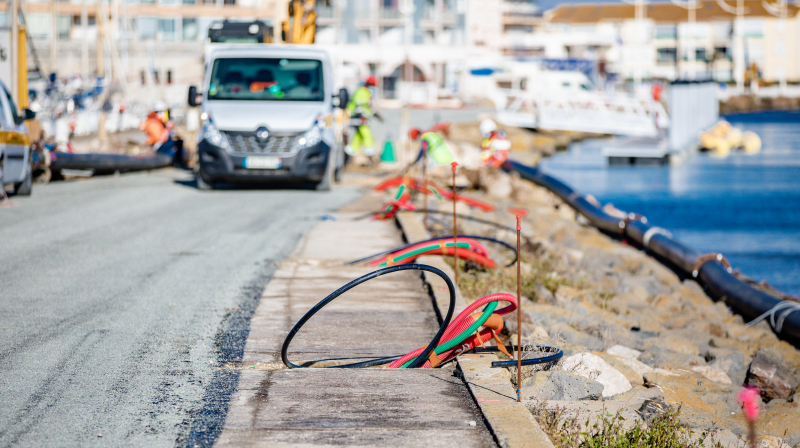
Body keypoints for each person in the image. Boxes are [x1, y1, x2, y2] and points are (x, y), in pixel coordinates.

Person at [345, 75, 378, 157]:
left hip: (360, 116)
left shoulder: (365, 92)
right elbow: (359, 105)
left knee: (359, 133)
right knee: (365, 132)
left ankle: (352, 149)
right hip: (358, 116)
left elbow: (366, 106)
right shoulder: (362, 91)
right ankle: (368, 150)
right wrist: (361, 116)